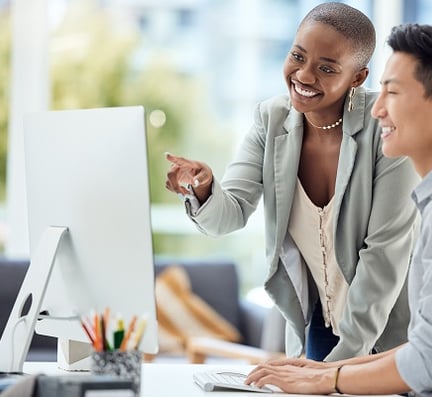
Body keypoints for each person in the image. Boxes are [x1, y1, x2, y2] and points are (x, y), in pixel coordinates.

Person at [245, 22, 432, 396]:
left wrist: (326, 378)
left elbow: (430, 364)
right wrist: (322, 369)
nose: (377, 109)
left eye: (393, 93)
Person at [165, 2, 419, 362]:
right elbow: (230, 214)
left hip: (396, 328)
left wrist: (332, 371)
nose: (303, 75)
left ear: (358, 78)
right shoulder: (271, 120)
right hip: (317, 323)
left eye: (326, 68)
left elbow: (383, 257)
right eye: (297, 56)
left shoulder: (387, 128)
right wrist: (203, 189)